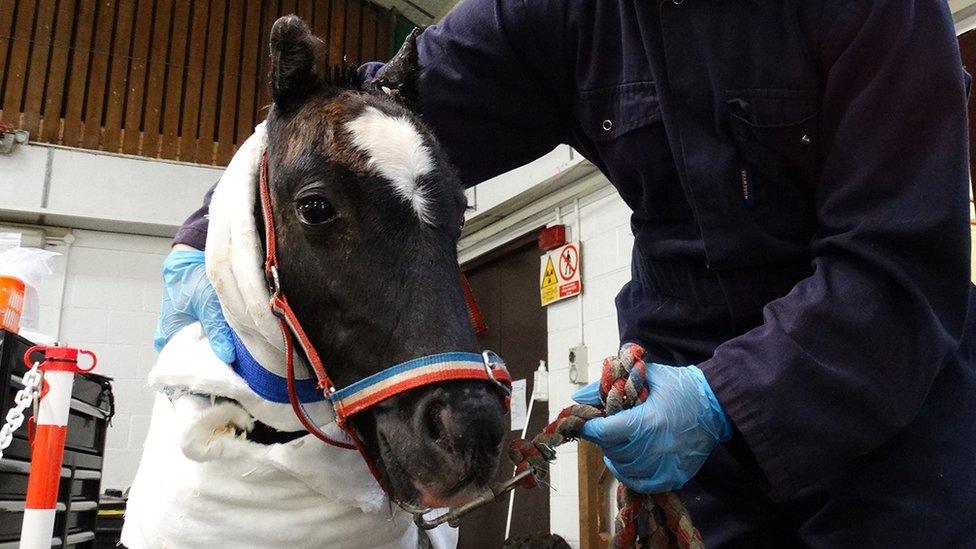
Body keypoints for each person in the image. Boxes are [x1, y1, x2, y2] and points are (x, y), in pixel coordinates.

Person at [154, 0, 976, 545]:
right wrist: (210, 226)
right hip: (683, 415)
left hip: (889, 415)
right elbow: (361, 119)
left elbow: (896, 266)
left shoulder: (881, 12)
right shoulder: (564, 13)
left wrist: (723, 399)